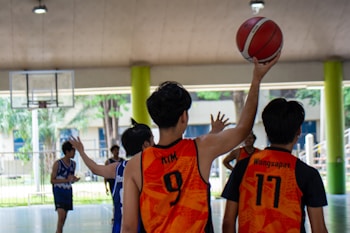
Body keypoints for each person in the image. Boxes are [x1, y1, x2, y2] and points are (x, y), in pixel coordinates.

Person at [121, 54, 280, 233]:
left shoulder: (136, 165)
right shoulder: (200, 149)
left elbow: (128, 227)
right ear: (184, 116)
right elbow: (243, 129)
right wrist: (256, 79)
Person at [221, 98, 328, 233]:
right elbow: (318, 229)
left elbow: (228, 222)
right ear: (299, 131)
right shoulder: (307, 174)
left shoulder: (243, 167)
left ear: (266, 129)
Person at [69, 122, 153, 233]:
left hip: (119, 228)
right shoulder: (150, 170)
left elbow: (94, 168)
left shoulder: (118, 168)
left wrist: (81, 151)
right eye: (153, 140)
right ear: (146, 144)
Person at [51, 141, 80, 233]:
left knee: (64, 218)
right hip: (59, 191)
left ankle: (58, 231)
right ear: (67, 152)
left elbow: (70, 178)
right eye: (73, 151)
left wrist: (73, 179)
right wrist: (66, 180)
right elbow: (52, 180)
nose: (74, 153)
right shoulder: (58, 164)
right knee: (61, 216)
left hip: (68, 191)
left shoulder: (73, 164)